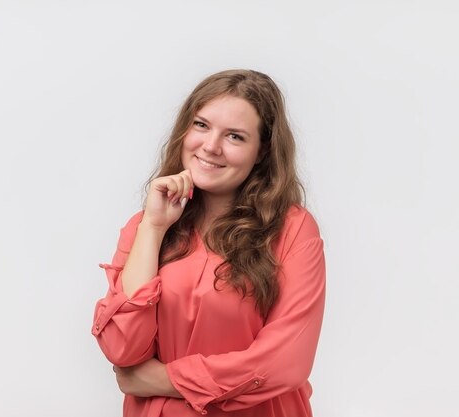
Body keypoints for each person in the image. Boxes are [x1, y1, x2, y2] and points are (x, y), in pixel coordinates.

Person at [92, 69, 326, 417]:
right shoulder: (144, 227)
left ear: (261, 151)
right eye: (201, 125)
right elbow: (123, 348)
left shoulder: (293, 230)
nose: (211, 146)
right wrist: (154, 227)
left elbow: (285, 363)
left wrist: (164, 379)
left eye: (235, 136)